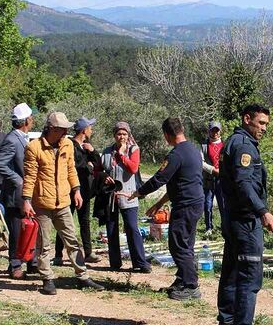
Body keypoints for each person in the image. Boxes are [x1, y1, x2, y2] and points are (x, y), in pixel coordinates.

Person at [22, 111, 104, 295]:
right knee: (44, 244)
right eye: (62, 129)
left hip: (64, 202)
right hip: (42, 203)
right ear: (52, 129)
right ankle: (47, 279)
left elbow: (71, 170)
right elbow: (29, 177)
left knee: (72, 240)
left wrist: (76, 190)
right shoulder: (34, 148)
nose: (66, 132)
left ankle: (82, 276)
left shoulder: (67, 144)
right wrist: (26, 200)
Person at [217, 104, 273, 325]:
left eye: (266, 125)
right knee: (250, 276)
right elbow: (244, 185)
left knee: (231, 271)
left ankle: (227, 324)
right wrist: (262, 211)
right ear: (247, 119)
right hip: (245, 221)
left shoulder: (233, 141)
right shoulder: (243, 146)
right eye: (260, 123)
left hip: (233, 218)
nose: (263, 128)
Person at [129, 117, 204, 300]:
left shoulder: (176, 155)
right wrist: (158, 204)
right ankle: (182, 279)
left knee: (178, 245)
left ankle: (190, 286)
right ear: (182, 129)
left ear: (166, 135)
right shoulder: (193, 150)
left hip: (186, 205)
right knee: (186, 244)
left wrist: (139, 192)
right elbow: (178, 183)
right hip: (194, 203)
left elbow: (159, 179)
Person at [96, 121, 151, 273]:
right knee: (111, 228)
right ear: (114, 135)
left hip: (128, 195)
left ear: (128, 135)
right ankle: (115, 262)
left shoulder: (133, 149)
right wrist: (103, 177)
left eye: (124, 134)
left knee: (132, 228)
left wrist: (121, 154)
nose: (122, 137)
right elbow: (98, 170)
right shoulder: (107, 151)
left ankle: (140, 262)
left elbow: (133, 168)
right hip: (110, 196)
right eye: (119, 134)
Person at [0, 103, 38, 279]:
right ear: (26, 120)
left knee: (29, 228)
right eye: (31, 117)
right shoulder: (12, 140)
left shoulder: (23, 138)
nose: (33, 120)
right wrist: (17, 179)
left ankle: (32, 262)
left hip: (24, 193)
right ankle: (15, 265)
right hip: (14, 195)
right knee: (17, 230)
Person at [54, 117, 101, 265]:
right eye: (90, 127)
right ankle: (58, 255)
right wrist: (89, 166)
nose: (91, 130)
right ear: (84, 130)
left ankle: (88, 252)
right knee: (64, 222)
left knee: (85, 222)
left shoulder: (86, 146)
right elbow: (76, 165)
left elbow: (98, 164)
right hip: (71, 190)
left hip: (85, 191)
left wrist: (92, 152)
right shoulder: (72, 145)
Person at [200, 121, 224, 235]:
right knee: (207, 204)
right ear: (209, 131)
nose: (215, 133)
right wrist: (212, 170)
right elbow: (201, 162)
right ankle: (208, 227)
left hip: (222, 180)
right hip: (208, 179)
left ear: (220, 131)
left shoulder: (225, 145)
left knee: (223, 204)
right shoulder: (204, 145)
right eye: (212, 130)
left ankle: (225, 226)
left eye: (216, 130)